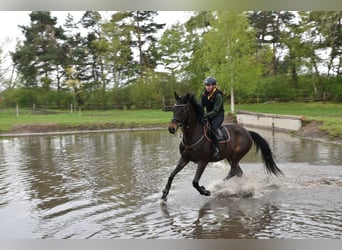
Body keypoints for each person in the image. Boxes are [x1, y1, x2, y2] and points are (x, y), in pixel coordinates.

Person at [201, 76, 225, 159]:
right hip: (209, 115)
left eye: (209, 85)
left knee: (213, 128)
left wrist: (204, 115)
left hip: (218, 115)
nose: (207, 87)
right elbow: (201, 106)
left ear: (214, 86)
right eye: (206, 85)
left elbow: (216, 111)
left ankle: (216, 149)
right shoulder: (204, 94)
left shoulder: (218, 95)